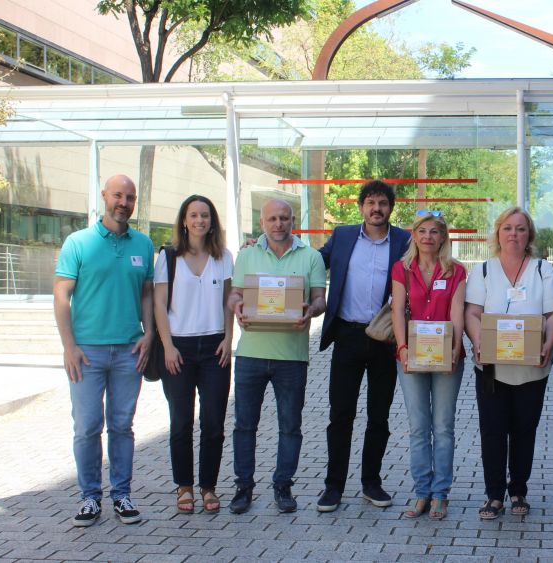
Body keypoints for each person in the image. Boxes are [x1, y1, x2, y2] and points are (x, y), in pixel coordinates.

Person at [53, 174, 154, 527]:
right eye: (117, 195)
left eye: (130, 197)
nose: (123, 202)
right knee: (86, 427)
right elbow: (62, 296)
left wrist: (149, 333)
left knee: (122, 426)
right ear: (103, 197)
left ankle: (122, 495)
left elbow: (146, 294)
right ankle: (89, 498)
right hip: (87, 353)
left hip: (129, 351)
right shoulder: (77, 243)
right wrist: (69, 346)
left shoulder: (143, 244)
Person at [465, 207, 553, 519]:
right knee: (492, 431)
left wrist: (548, 345)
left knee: (525, 430)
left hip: (532, 369)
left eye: (521, 229)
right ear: (498, 233)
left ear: (529, 236)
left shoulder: (542, 271)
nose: (514, 234)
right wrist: (479, 343)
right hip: (493, 369)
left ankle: (518, 490)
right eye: (508, 228)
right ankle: (494, 495)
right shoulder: (482, 270)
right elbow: (471, 312)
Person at [227, 199, 326, 514]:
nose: (278, 224)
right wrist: (237, 306)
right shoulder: (247, 255)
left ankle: (283, 486)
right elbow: (235, 293)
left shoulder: (311, 257)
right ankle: (243, 487)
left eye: (284, 218)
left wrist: (311, 310)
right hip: (251, 354)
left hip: (292, 357)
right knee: (245, 425)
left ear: (293, 220)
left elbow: (320, 299)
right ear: (262, 222)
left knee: (290, 426)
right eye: (272, 218)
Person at [316, 180, 410, 512]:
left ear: (390, 208)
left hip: (385, 338)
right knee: (340, 414)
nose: (376, 208)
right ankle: (333, 486)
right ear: (360, 207)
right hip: (347, 336)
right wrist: (269, 248)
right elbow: (313, 263)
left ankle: (372, 482)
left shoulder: (404, 240)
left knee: (379, 416)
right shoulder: (342, 236)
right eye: (370, 202)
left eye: (382, 203)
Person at [152, 195, 234, 515]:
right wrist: (168, 345)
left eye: (205, 215)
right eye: (193, 215)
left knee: (213, 422)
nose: (200, 220)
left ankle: (208, 487)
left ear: (212, 221)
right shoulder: (168, 257)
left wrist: (229, 338)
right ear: (183, 221)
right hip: (179, 348)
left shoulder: (223, 257)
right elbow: (159, 304)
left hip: (215, 348)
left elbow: (230, 300)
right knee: (181, 421)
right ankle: (184, 486)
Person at [391, 211, 467, 521]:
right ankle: (421, 492)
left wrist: (456, 348)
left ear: (443, 237)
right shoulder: (402, 269)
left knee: (444, 428)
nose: (428, 237)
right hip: (411, 355)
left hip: (446, 356)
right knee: (419, 427)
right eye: (422, 231)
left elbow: (458, 312)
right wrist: (402, 348)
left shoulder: (457, 271)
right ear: (414, 235)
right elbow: (397, 311)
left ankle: (440, 495)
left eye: (434, 232)